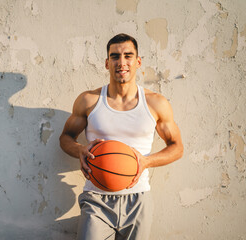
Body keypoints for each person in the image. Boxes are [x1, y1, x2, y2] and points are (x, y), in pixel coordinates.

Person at [59, 33, 183, 240]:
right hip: (96, 197)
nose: (121, 62)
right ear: (107, 63)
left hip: (138, 198)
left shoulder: (155, 103)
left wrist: (145, 162)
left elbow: (177, 147)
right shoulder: (89, 100)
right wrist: (80, 149)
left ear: (138, 61)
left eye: (128, 55)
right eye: (115, 56)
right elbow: (66, 137)